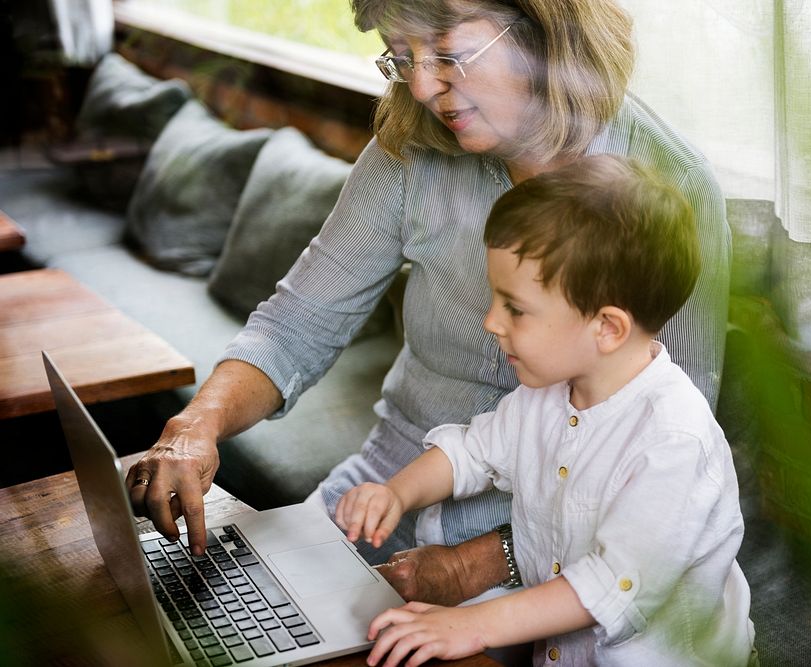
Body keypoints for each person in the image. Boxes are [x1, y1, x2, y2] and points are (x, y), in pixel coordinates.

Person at [126, 0, 732, 607]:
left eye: (447, 55)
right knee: (213, 612)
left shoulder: (675, 191)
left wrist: (475, 564)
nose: (420, 86)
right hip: (392, 481)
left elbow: (657, 467)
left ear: (543, 29)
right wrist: (196, 426)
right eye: (401, 57)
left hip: (554, 548)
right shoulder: (414, 144)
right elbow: (296, 324)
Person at [336, 154, 754, 667]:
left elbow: (610, 585)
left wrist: (469, 623)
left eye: (514, 307)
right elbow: (469, 452)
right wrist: (395, 492)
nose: (491, 321)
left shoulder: (673, 441)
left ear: (608, 328)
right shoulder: (544, 396)